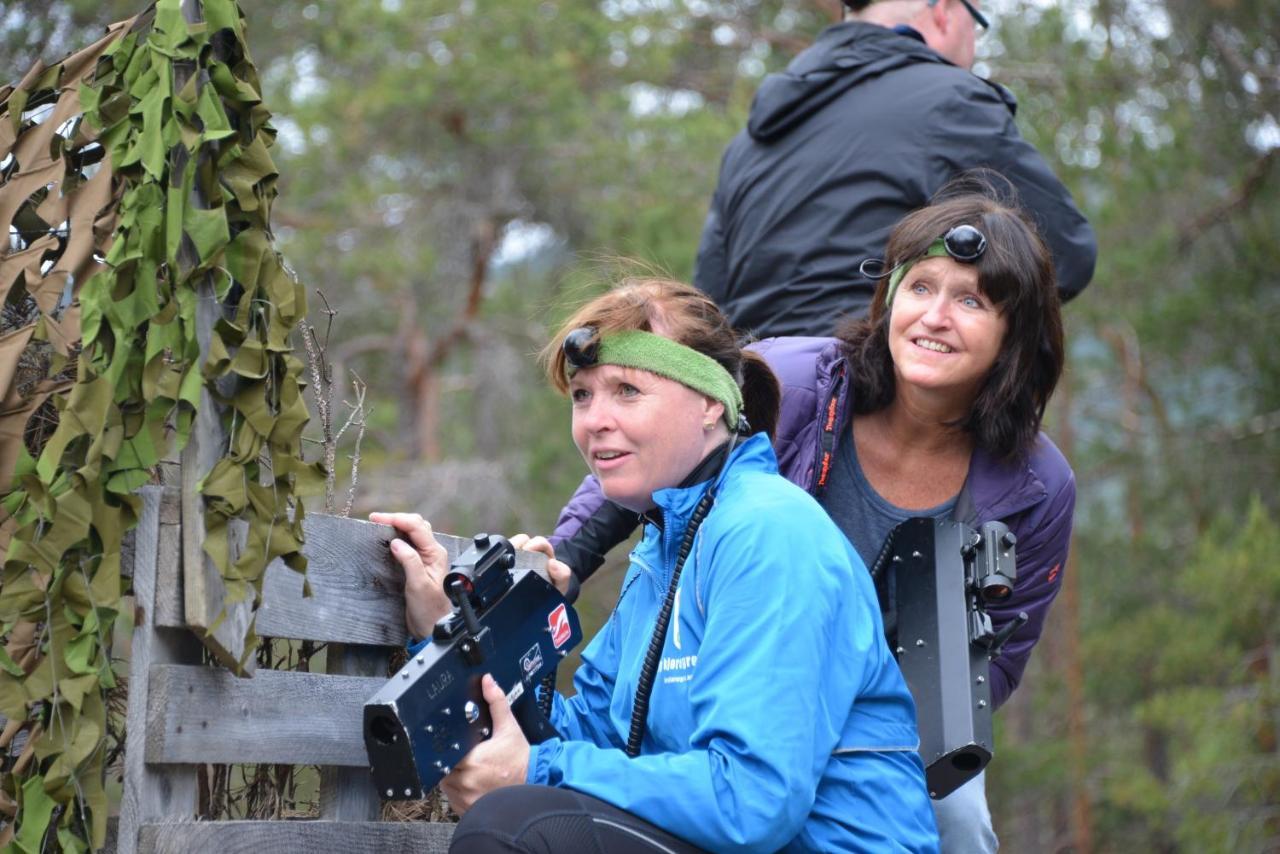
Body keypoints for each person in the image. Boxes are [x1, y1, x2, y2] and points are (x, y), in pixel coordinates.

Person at [552, 180, 1075, 851]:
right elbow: (651, 444)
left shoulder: (1035, 484)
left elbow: (998, 658)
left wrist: (862, 724)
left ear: (1014, 333)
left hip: (889, 728)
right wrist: (561, 562)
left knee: (961, 821)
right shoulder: (798, 379)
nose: (934, 317)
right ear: (887, 300)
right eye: (918, 288)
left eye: (970, 300)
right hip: (745, 671)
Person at [375, 279, 940, 853]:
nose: (595, 420)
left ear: (710, 403)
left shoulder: (766, 532)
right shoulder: (663, 550)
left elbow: (752, 799)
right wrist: (453, 630)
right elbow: (582, 735)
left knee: (520, 825)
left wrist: (535, 770)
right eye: (582, 396)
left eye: (626, 390)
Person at [693, 0, 1097, 337]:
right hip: (875, 400)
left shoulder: (749, 142)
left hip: (758, 405)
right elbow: (1062, 254)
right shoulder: (952, 102)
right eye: (977, 26)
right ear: (945, 12)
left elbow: (706, 304)